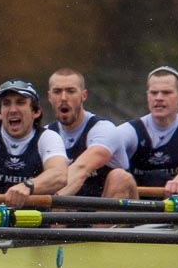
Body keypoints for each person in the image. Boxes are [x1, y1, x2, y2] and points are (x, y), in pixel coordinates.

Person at [0, 80, 69, 208]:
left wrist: (28, 186)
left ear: (36, 111)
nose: (12, 110)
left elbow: (60, 175)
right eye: (6, 104)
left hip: (32, 223)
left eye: (20, 103)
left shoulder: (48, 137)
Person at [118, 66, 178, 195]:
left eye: (166, 93)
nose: (159, 98)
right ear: (147, 96)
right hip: (139, 205)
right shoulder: (129, 130)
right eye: (153, 93)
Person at [44, 69, 136, 198]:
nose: (63, 98)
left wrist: (51, 202)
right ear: (49, 97)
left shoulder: (104, 129)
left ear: (84, 95)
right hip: (71, 212)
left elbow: (81, 168)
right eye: (57, 92)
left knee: (120, 177)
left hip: (105, 210)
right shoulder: (46, 134)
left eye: (71, 91)